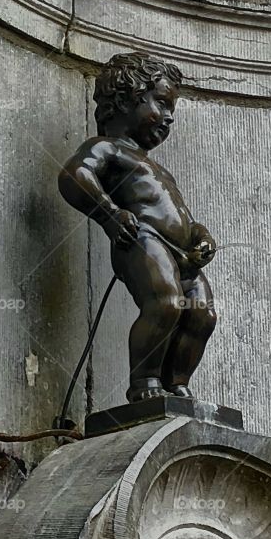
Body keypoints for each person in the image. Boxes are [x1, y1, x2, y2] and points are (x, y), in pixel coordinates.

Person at [58, 52, 217, 403]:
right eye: (161, 103)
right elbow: (75, 175)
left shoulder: (160, 169)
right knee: (166, 303)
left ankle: (176, 384)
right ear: (126, 99)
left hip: (182, 255)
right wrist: (110, 214)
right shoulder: (107, 149)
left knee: (202, 314)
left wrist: (202, 237)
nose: (169, 117)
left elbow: (185, 218)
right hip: (140, 239)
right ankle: (144, 382)